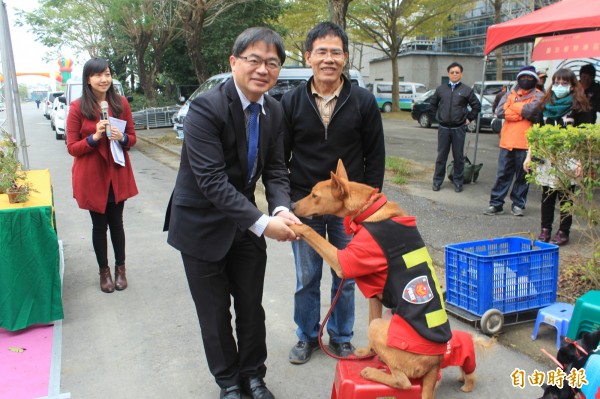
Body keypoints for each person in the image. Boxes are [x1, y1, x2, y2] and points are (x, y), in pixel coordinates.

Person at [164, 27, 299, 399]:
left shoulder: (273, 110)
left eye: (272, 63)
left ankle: (254, 376)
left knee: (251, 307)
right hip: (200, 225)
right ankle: (228, 383)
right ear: (234, 62)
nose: (263, 69)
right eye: (254, 60)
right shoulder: (206, 108)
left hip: (244, 225)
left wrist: (282, 208)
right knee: (214, 312)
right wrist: (264, 223)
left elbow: (275, 169)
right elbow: (211, 180)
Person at [281, 22, 385, 365]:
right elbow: (278, 160)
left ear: (345, 58)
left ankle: (341, 336)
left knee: (349, 274)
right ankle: (307, 336)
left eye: (336, 52)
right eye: (321, 52)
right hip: (305, 202)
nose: (329, 59)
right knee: (306, 276)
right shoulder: (291, 102)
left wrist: (367, 211)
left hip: (348, 211)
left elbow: (375, 157)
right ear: (308, 57)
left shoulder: (364, 101)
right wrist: (284, 205)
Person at [66, 58, 138, 293]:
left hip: (116, 173)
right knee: (99, 226)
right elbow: (72, 147)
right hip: (92, 176)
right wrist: (93, 138)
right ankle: (104, 272)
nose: (104, 79)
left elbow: (133, 138)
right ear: (88, 79)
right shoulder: (78, 108)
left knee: (117, 224)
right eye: (98, 75)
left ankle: (121, 269)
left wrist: (123, 137)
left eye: (107, 74)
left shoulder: (121, 104)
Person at [524, 68, 590, 245]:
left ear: (572, 86)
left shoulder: (579, 106)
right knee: (547, 195)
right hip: (547, 156)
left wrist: (581, 162)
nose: (560, 86)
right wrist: (529, 155)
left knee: (566, 196)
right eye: (557, 82)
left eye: (564, 83)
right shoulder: (546, 104)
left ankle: (563, 231)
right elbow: (535, 132)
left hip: (569, 156)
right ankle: (545, 229)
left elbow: (584, 137)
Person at [484, 65, 544, 216]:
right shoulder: (510, 93)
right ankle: (496, 204)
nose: (526, 80)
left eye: (530, 78)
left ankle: (518, 204)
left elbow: (531, 111)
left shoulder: (539, 95)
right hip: (507, 141)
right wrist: (521, 112)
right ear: (518, 78)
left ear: (535, 80)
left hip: (526, 144)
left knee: (523, 176)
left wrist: (513, 107)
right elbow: (499, 111)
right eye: (523, 77)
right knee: (503, 174)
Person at [430, 62, 481, 193]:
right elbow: (433, 104)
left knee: (458, 157)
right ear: (448, 74)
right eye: (452, 72)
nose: (454, 74)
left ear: (461, 74)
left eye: (457, 72)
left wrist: (468, 118)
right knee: (441, 156)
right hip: (443, 129)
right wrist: (438, 116)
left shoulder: (466, 90)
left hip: (459, 129)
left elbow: (476, 106)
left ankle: (458, 182)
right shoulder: (441, 89)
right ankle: (437, 181)